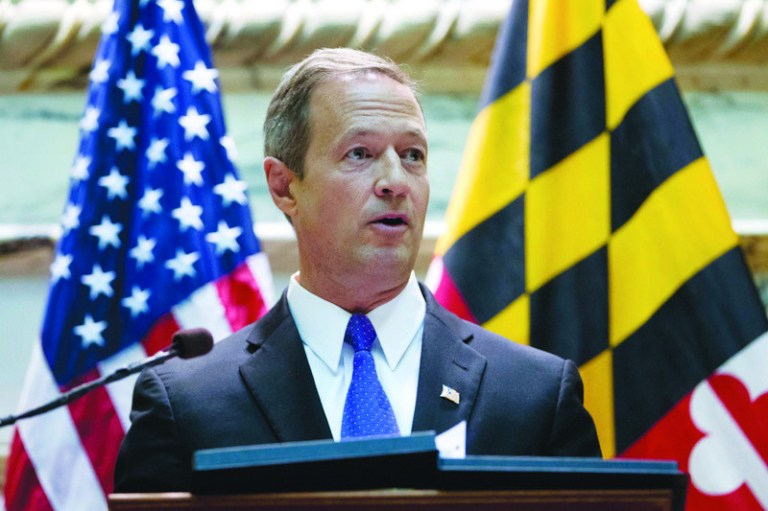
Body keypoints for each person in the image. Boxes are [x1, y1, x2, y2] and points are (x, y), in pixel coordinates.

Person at [114, 48, 601, 492]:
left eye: (412, 155)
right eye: (360, 154)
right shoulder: (188, 403)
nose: (395, 181)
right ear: (284, 187)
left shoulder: (534, 395)